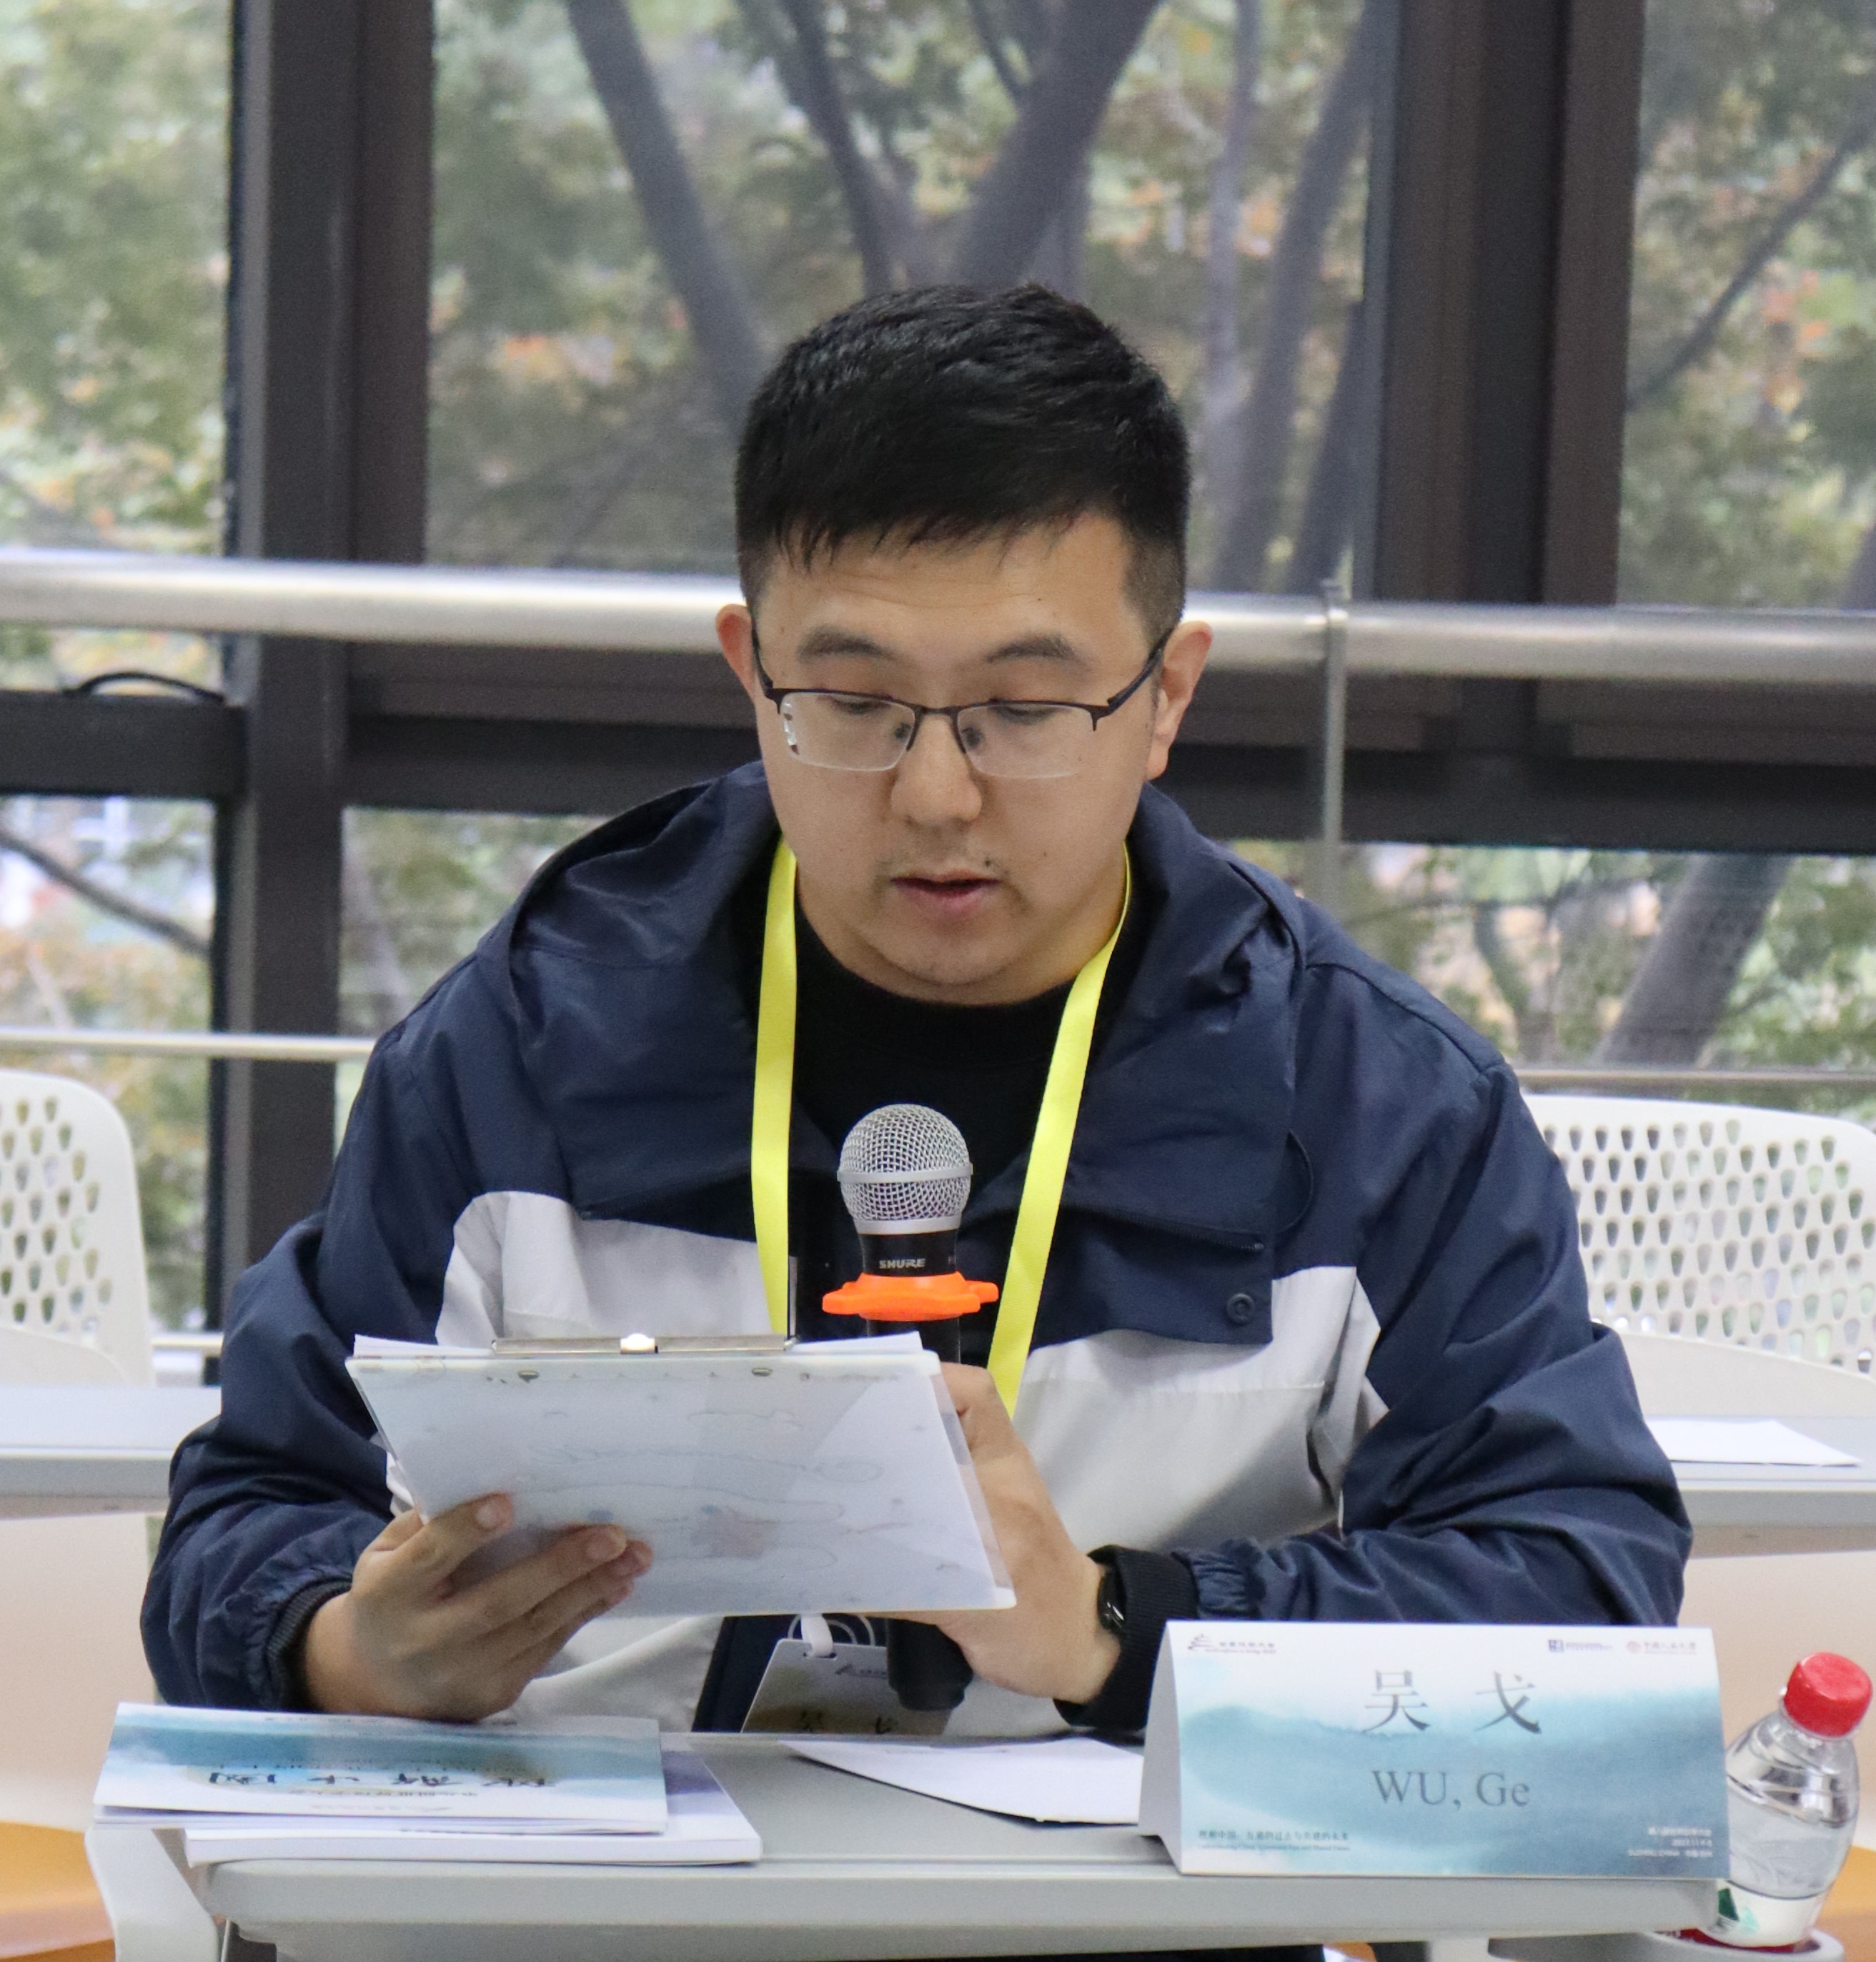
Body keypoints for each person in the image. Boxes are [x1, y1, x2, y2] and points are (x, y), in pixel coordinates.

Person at [144, 284, 1689, 1742]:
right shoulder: (528, 1045)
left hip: (1128, 1892)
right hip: (629, 1874)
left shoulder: (1371, 1101)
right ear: (752, 675)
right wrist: (344, 1648)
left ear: (1166, 696)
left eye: (1024, 708)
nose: (937, 792)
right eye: (856, 705)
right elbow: (243, 1516)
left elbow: (1579, 1584)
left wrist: (1121, 1625)